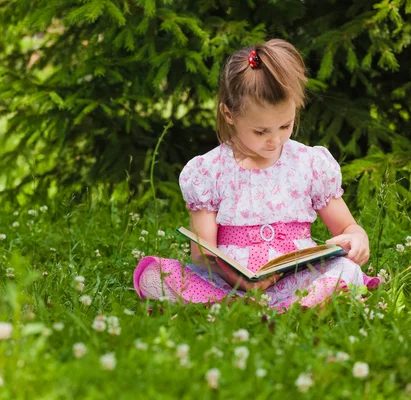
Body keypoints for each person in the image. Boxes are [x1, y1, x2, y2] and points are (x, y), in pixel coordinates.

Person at [133, 39, 381, 312]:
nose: (274, 141)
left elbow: (347, 228)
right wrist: (235, 279)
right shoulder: (209, 171)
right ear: (229, 114)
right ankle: (257, 306)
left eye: (285, 125)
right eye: (261, 132)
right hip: (232, 284)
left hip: (297, 278)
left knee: (345, 269)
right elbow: (203, 255)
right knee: (159, 276)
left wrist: (358, 239)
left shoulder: (308, 163)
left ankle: (302, 304)